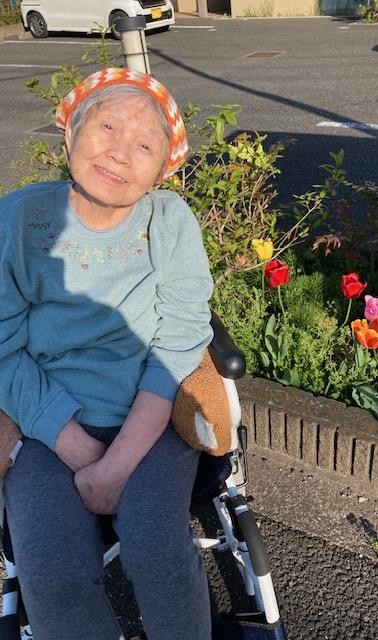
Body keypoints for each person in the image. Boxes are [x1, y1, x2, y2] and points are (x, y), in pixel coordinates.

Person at [0, 68, 214, 640]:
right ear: (69, 133)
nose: (121, 152)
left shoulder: (169, 222)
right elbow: (2, 345)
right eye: (108, 126)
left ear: (162, 170)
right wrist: (74, 446)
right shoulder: (18, 219)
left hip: (150, 419)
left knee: (157, 551)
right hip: (43, 421)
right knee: (53, 577)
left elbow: (179, 341)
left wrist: (115, 466)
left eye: (145, 145)